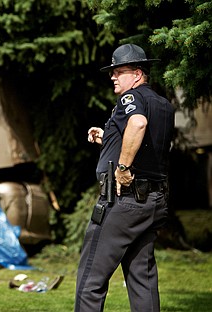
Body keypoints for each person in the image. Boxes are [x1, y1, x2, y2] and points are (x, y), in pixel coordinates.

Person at [74, 43, 175, 312]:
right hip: (154, 202)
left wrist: (122, 169)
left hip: (124, 202)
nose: (113, 76)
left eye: (119, 71)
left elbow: (138, 123)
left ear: (138, 74)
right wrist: (107, 137)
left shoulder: (131, 99)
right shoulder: (163, 105)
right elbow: (147, 143)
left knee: (90, 278)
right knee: (142, 279)